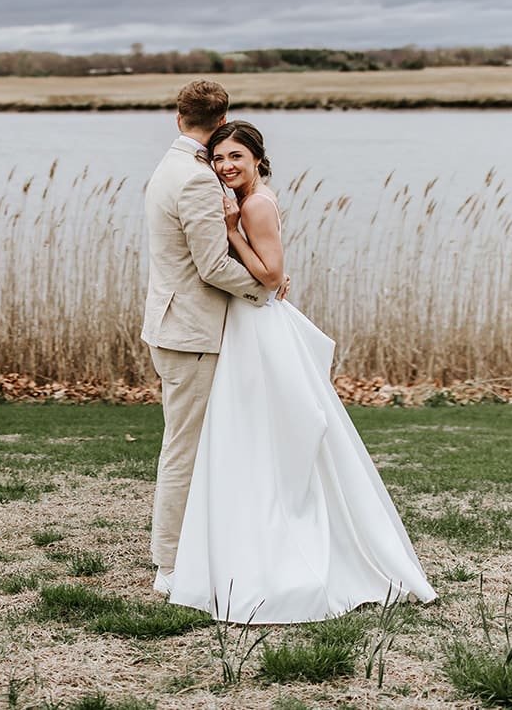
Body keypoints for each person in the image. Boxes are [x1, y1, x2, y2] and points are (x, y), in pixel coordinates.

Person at [167, 119, 437, 623]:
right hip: (247, 325)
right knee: (251, 431)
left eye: (236, 158)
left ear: (256, 160)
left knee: (267, 430)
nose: (226, 166)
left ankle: (284, 545)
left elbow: (268, 277)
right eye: (219, 158)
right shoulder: (247, 198)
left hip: (258, 325)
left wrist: (230, 232)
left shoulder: (255, 204)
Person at [142, 80, 279, 595]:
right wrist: (267, 290)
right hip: (191, 333)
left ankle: (204, 546)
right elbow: (213, 265)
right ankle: (170, 563)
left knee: (197, 445)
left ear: (177, 119)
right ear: (222, 122)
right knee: (185, 449)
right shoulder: (198, 179)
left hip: (177, 325)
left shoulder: (168, 166)